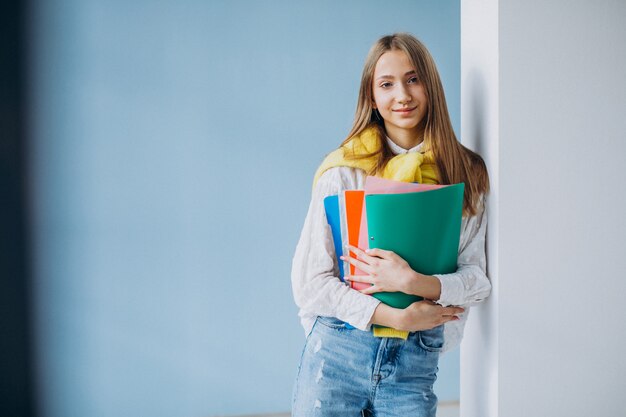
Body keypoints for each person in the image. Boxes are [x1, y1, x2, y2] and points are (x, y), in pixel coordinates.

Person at [291, 33, 491, 417]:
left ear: (431, 86)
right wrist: (396, 317)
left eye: (413, 79)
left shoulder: (466, 174)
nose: (402, 95)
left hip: (414, 363)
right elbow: (310, 283)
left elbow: (477, 279)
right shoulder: (343, 171)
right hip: (338, 356)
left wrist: (417, 284)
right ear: (371, 97)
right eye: (387, 84)